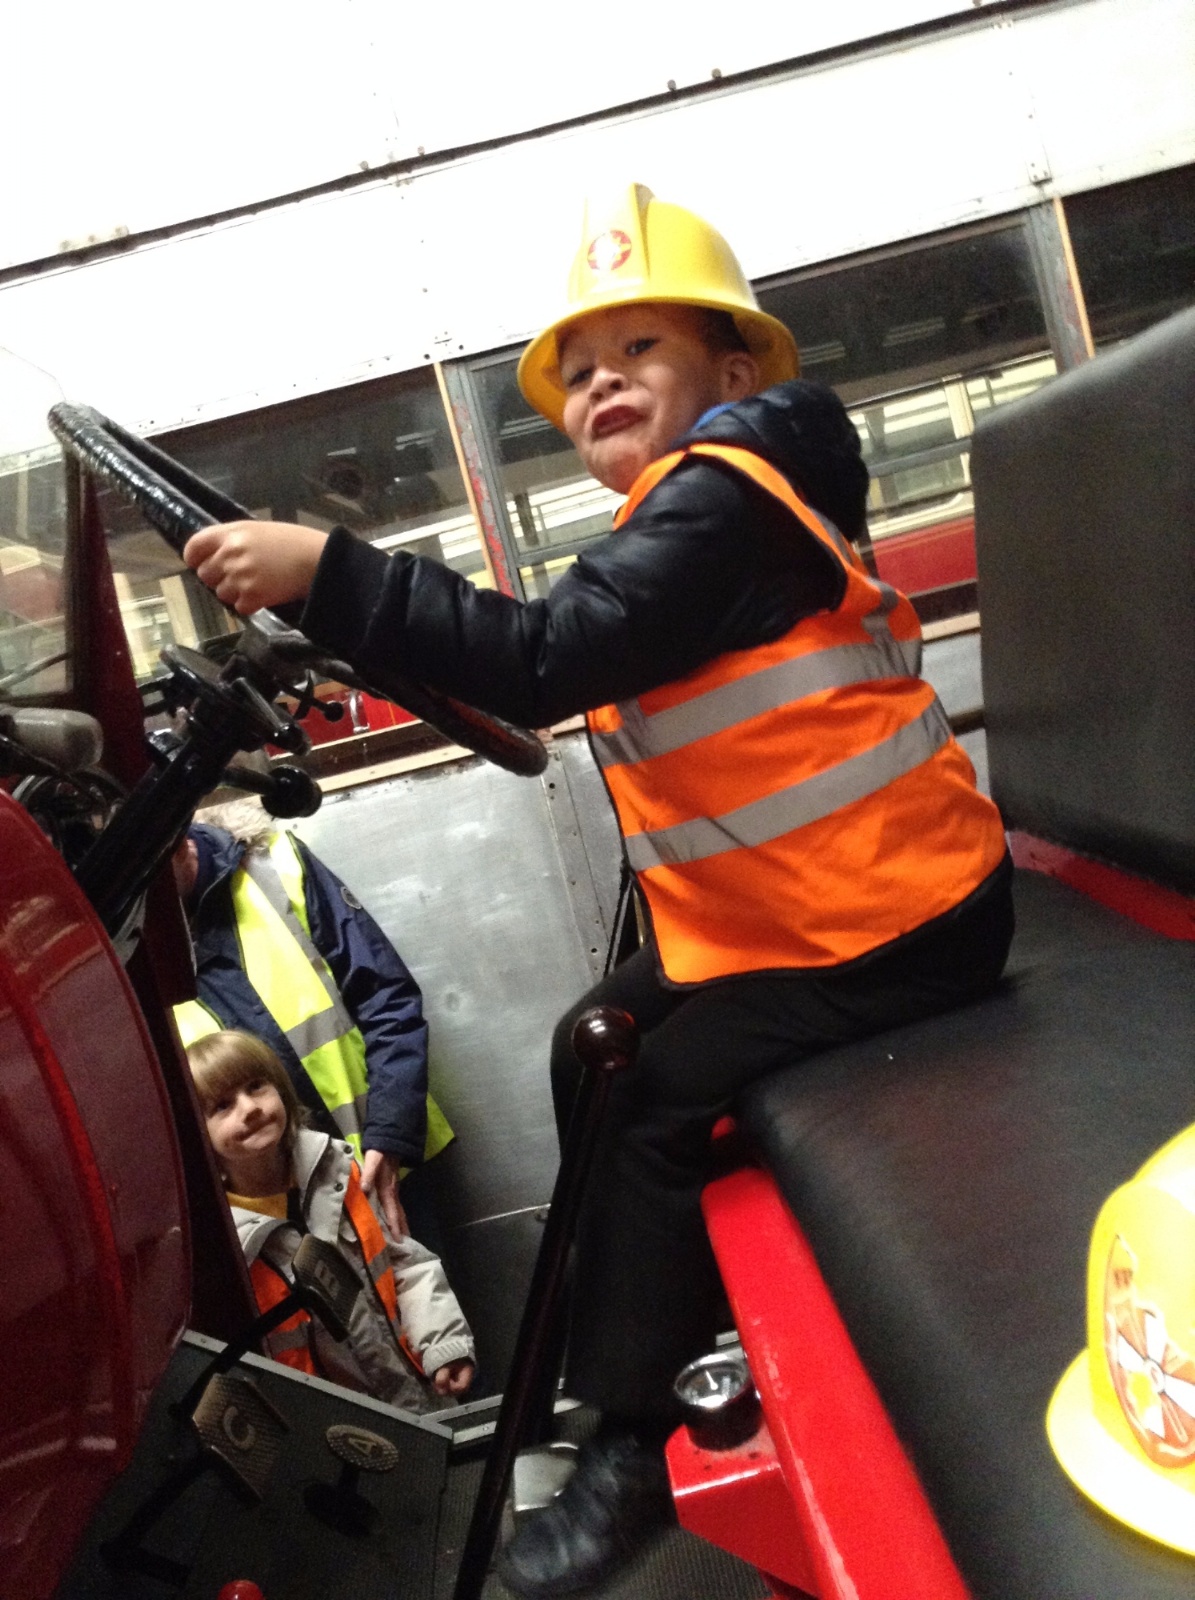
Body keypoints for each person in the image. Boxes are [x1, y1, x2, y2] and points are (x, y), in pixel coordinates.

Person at [181, 184, 1014, 1595]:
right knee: (588, 1042)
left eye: (637, 350)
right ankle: (641, 1349)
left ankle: (635, 1450)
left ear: (732, 373)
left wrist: (329, 572)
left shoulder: (721, 503)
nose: (598, 384)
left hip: (900, 919)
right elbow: (548, 653)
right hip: (795, 911)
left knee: (653, 1095)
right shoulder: (692, 509)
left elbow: (542, 656)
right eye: (576, 372)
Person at [172, 802, 452, 1243]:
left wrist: (390, 1137)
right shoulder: (124, 938)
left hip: (379, 1164)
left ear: (177, 841)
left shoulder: (273, 862)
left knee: (417, 1284)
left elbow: (385, 996)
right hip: (261, 1218)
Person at [188, 1028, 475, 1410]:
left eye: (256, 1086)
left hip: (422, 1393)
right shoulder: (224, 1246)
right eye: (222, 1105)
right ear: (198, 1132)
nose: (250, 1107)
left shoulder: (339, 1170)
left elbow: (405, 1264)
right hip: (337, 1429)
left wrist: (443, 1343)